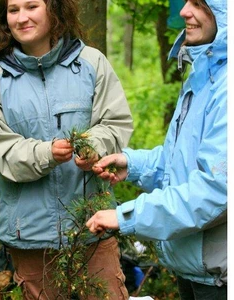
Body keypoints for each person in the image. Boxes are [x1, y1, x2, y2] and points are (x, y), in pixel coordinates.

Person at [0, 0, 133, 299]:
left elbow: (115, 123)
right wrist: (45, 154)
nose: (22, 18)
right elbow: (0, 148)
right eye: (13, 10)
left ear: (54, 9)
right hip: (31, 237)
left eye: (32, 6)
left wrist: (93, 146)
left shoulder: (91, 63)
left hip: (93, 229)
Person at [86, 0, 227, 299]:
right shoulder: (203, 75)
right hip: (195, 267)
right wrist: (133, 164)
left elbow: (217, 190)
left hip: (221, 276)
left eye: (200, 3)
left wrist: (127, 216)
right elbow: (183, 162)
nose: (184, 11)